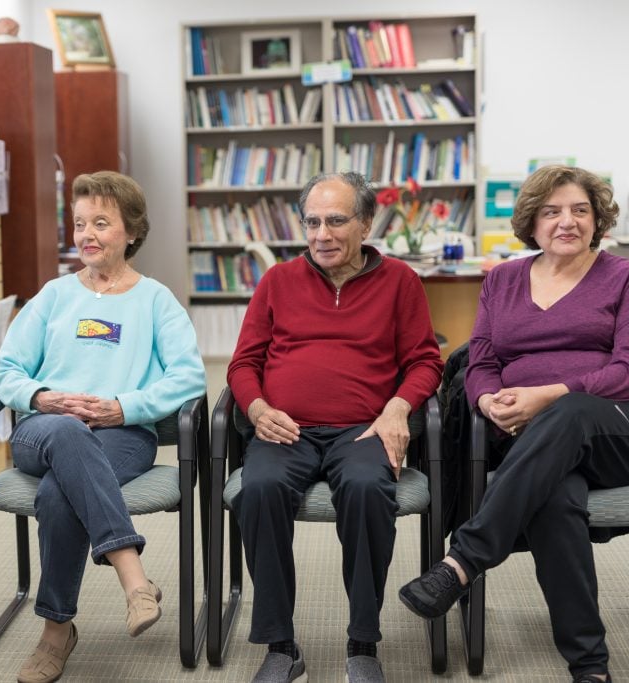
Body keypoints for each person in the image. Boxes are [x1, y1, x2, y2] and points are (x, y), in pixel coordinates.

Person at [399, 165, 626, 683]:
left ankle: (462, 561)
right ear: (532, 221)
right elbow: (478, 361)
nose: (566, 222)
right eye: (551, 212)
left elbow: (627, 369)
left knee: (565, 412)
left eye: (579, 210)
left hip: (612, 428)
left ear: (598, 220)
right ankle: (591, 667)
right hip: (526, 439)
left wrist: (547, 396)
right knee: (556, 497)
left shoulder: (623, 276)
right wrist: (488, 402)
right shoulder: (501, 280)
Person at [227, 172, 443, 683]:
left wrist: (396, 408)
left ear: (366, 224)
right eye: (313, 222)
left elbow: (425, 362)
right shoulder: (278, 281)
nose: (322, 234)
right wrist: (257, 410)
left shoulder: (400, 281)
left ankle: (362, 642)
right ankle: (281, 645)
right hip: (286, 427)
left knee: (370, 490)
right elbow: (242, 364)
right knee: (258, 489)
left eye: (336, 220)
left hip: (362, 430)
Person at [0, 171, 206, 683]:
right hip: (43, 431)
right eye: (80, 222)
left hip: (123, 434)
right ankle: (133, 576)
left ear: (132, 231)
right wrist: (42, 397)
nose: (86, 234)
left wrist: (123, 407)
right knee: (67, 434)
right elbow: (6, 372)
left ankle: (55, 630)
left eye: (101, 223)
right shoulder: (54, 295)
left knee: (58, 495)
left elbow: (190, 377)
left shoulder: (156, 301)